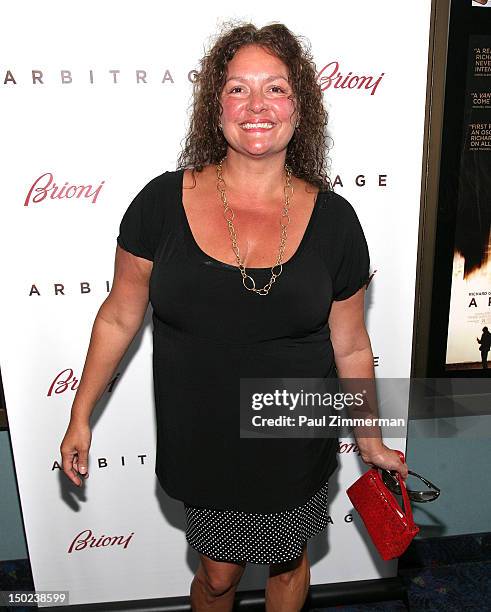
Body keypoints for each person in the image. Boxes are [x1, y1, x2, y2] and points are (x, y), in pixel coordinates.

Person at [60, 22, 409, 612]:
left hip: (294, 427)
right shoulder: (160, 203)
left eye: (275, 89)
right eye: (237, 88)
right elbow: (119, 317)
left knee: (289, 564)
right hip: (202, 434)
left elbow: (350, 345)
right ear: (214, 104)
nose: (256, 106)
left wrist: (371, 440)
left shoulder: (336, 221)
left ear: (300, 108)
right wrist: (80, 414)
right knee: (218, 577)